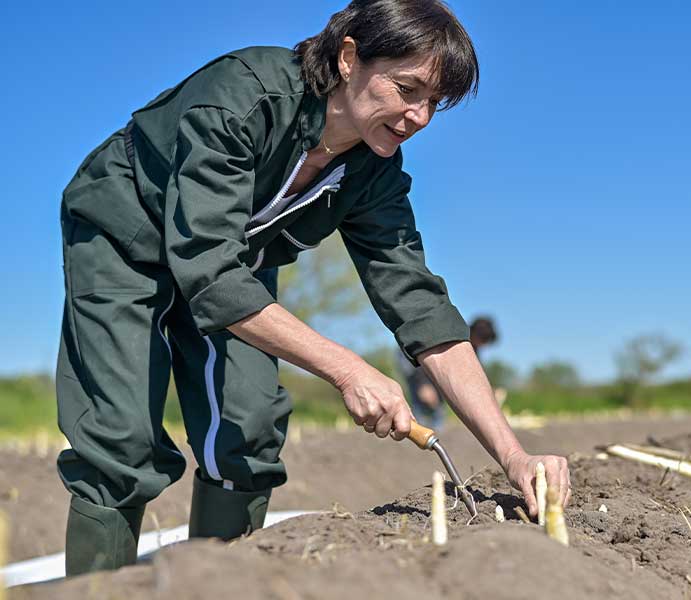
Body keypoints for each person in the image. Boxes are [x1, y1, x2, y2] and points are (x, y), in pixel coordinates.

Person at [56, 0, 571, 575]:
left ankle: (218, 587)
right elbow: (209, 271)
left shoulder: (374, 174)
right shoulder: (242, 97)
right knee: (121, 441)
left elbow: (423, 311)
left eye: (434, 104)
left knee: (247, 434)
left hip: (233, 267)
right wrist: (349, 369)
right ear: (349, 58)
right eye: (407, 90)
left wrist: (512, 454)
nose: (420, 117)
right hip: (126, 238)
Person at [399, 316, 499, 429]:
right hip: (413, 356)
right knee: (420, 398)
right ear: (475, 332)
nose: (483, 345)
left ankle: (436, 427)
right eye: (483, 341)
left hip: (430, 364)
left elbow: (475, 370)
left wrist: (487, 388)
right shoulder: (452, 335)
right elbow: (426, 355)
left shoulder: (473, 347)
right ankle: (413, 426)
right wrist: (423, 384)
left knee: (440, 396)